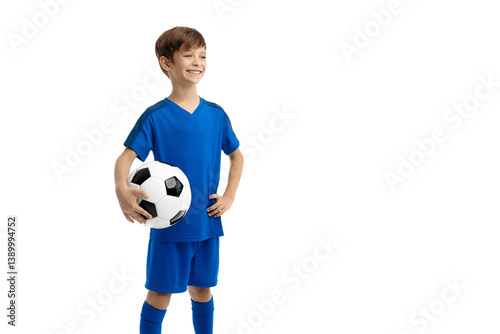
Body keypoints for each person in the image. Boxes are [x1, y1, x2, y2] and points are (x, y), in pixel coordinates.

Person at [114, 26, 244, 334]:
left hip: (207, 223)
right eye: (188, 54)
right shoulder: (156, 116)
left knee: (202, 290)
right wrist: (122, 187)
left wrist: (229, 196)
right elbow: (125, 159)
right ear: (166, 63)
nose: (197, 61)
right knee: (160, 293)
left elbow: (237, 156)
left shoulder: (216, 114)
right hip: (169, 225)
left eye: (202, 55)